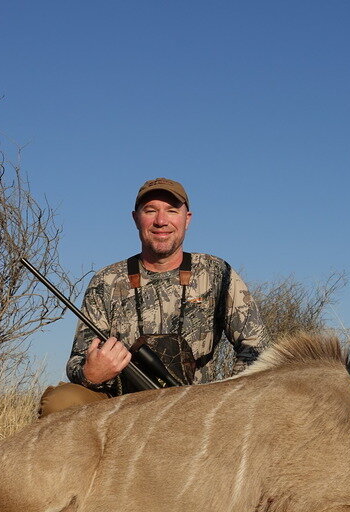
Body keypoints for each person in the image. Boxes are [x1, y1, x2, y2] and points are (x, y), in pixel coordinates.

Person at [39, 177, 267, 417]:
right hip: (122, 406)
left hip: (199, 407)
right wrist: (90, 375)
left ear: (187, 219)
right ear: (136, 218)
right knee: (61, 402)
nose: (161, 221)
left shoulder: (217, 272)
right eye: (150, 211)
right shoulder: (106, 281)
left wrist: (224, 396)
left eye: (171, 210)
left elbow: (257, 347)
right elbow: (77, 360)